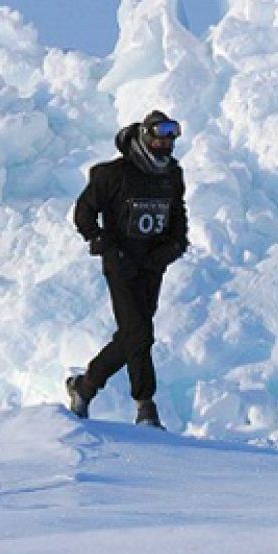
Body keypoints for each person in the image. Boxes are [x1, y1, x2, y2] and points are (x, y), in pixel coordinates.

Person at [66, 110, 188, 428]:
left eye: (170, 138)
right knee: (139, 333)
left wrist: (174, 247)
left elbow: (177, 215)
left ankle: (85, 385)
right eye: (160, 137)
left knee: (132, 335)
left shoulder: (171, 175)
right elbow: (84, 213)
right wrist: (104, 243)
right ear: (146, 137)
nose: (165, 145)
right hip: (121, 264)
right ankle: (145, 406)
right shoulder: (112, 175)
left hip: (152, 265)